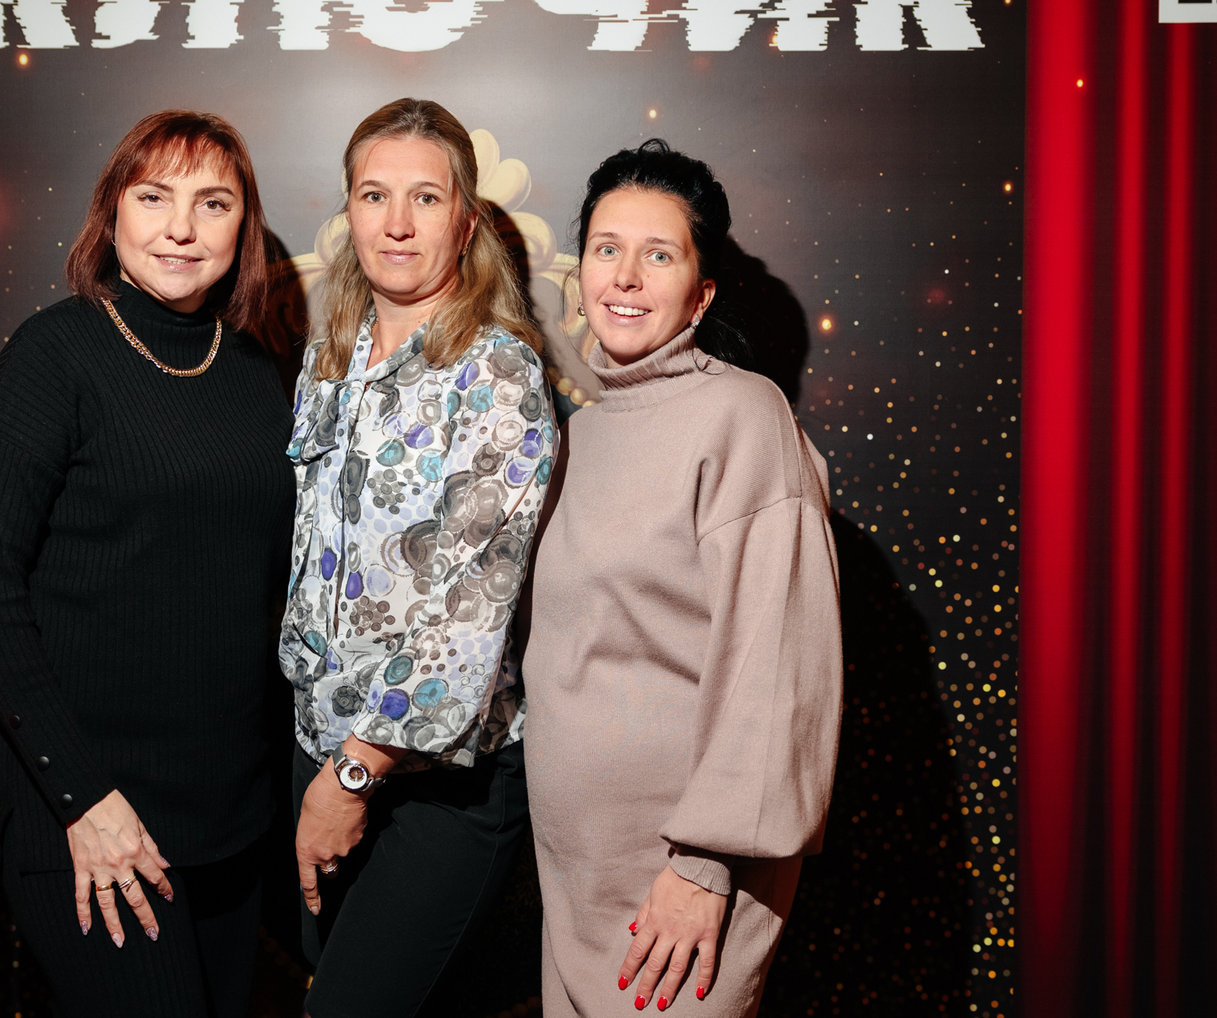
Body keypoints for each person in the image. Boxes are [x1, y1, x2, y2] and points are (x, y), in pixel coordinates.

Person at [0, 111, 295, 1018]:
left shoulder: (255, 371)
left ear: (244, 226)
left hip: (226, 820)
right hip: (88, 817)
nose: (181, 228)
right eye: (154, 198)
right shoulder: (50, 358)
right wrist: (82, 799)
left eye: (212, 203)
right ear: (112, 213)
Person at [525, 141, 843, 1015]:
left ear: (700, 294)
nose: (626, 277)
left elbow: (781, 663)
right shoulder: (578, 432)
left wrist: (705, 866)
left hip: (683, 879)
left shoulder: (743, 415)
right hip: (575, 876)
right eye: (607, 249)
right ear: (580, 274)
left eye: (658, 255)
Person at [282, 97, 555, 1018]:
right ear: (349, 211)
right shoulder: (332, 357)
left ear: (465, 222)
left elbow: (472, 607)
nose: (396, 223)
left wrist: (355, 773)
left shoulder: (498, 373)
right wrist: (322, 768)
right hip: (317, 753)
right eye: (374, 195)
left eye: (425, 199)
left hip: (432, 783)